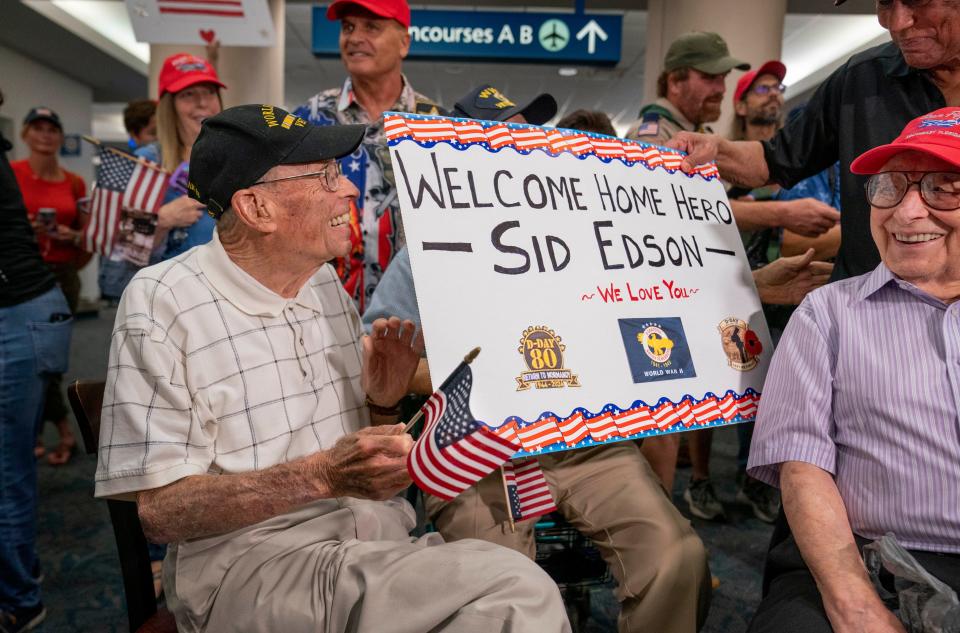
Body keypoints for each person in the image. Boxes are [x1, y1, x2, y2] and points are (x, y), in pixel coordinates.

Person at [94, 104, 570, 633]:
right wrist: (319, 476)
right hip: (255, 566)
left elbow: (359, 458)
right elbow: (162, 513)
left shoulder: (322, 284)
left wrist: (383, 403)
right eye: (325, 175)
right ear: (256, 207)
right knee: (518, 591)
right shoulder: (162, 301)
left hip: (370, 540)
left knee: (500, 593)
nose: (348, 190)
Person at [364, 87, 712, 633]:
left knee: (678, 557)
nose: (524, 142)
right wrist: (470, 375)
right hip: (478, 449)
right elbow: (377, 358)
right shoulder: (427, 252)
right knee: (500, 592)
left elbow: (657, 302)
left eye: (527, 131)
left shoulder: (586, 237)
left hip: (582, 439)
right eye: (507, 131)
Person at [746, 107, 960, 633]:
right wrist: (854, 603)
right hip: (869, 556)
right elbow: (801, 465)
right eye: (890, 186)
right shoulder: (827, 314)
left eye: (944, 187)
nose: (906, 212)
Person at [627, 34, 836, 519]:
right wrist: (779, 215)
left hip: (689, 289)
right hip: (661, 296)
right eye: (708, 76)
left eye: (723, 77)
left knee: (679, 416)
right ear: (676, 78)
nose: (720, 86)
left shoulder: (692, 129)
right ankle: (662, 539)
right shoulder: (656, 133)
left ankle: (667, 535)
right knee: (662, 427)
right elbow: (674, 208)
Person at [670, 0, 960, 283]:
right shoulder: (858, 80)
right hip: (868, 315)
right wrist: (718, 151)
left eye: (916, 2)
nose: (897, 23)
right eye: (884, 3)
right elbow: (775, 159)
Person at [295, 0, 442, 311]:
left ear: (404, 43)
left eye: (371, 27)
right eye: (348, 27)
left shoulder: (435, 125)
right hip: (319, 309)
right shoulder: (309, 117)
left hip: (413, 315)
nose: (355, 37)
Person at [0, 89, 73, 633]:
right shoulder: (13, 166)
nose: (45, 135)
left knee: (7, 469)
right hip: (27, 306)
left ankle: (19, 601)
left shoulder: (69, 181)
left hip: (25, 306)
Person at [97, 53, 219, 302]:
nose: (202, 103)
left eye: (209, 92)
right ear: (168, 106)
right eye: (188, 94)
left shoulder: (235, 160)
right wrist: (162, 221)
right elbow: (114, 271)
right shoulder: (144, 164)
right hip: (168, 304)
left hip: (226, 305)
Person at [10, 107, 86, 466]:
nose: (45, 135)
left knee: (51, 360)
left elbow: (87, 237)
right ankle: (58, 430)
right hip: (21, 274)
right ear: (25, 134)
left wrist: (71, 236)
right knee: (29, 360)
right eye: (37, 128)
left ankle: (47, 430)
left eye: (52, 129)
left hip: (62, 272)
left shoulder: (73, 182)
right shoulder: (11, 174)